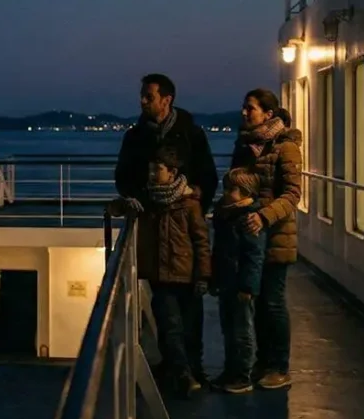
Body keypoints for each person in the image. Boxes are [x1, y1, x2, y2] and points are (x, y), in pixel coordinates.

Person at [115, 73, 218, 383]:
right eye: (143, 96)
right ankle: (177, 368)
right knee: (165, 311)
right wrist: (141, 199)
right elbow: (123, 178)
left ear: (166, 99)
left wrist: (193, 199)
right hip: (156, 233)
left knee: (190, 311)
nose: (142, 101)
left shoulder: (191, 134)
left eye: (149, 96)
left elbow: (208, 178)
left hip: (183, 236)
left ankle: (192, 368)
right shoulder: (135, 137)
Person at [110, 145, 211, 397]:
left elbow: (201, 241)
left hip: (187, 276)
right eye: (151, 170)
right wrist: (121, 204)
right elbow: (118, 209)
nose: (153, 174)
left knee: (190, 328)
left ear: (172, 172)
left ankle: (192, 372)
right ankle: (184, 376)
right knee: (169, 327)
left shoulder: (189, 205)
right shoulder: (147, 200)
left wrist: (204, 275)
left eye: (158, 170)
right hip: (161, 277)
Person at [231, 88, 302, 390]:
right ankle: (263, 360)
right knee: (257, 302)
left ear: (268, 114)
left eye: (251, 108)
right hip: (251, 237)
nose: (245, 113)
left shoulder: (285, 148)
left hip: (276, 236)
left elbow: (292, 194)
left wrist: (263, 216)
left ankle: (279, 366)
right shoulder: (245, 144)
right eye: (244, 108)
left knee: (273, 302)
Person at [209, 168, 267, 394]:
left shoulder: (248, 219)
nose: (226, 193)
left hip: (238, 285)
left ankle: (242, 375)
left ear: (246, 192)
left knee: (241, 330)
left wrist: (248, 287)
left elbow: (254, 256)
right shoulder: (227, 215)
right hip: (227, 281)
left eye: (232, 189)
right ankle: (231, 371)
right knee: (229, 328)